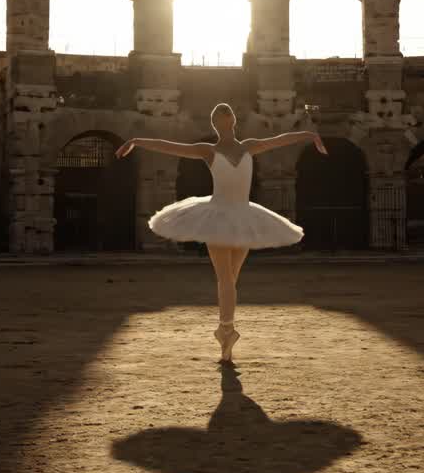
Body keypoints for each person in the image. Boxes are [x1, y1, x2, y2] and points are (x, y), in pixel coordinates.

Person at [116, 103, 327, 362]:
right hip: (239, 219)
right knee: (230, 281)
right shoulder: (242, 146)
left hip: (223, 218)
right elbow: (279, 140)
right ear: (233, 122)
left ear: (216, 124)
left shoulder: (213, 150)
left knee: (227, 280)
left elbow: (170, 147)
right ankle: (226, 333)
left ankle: (225, 332)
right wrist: (309, 135)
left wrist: (137, 141)